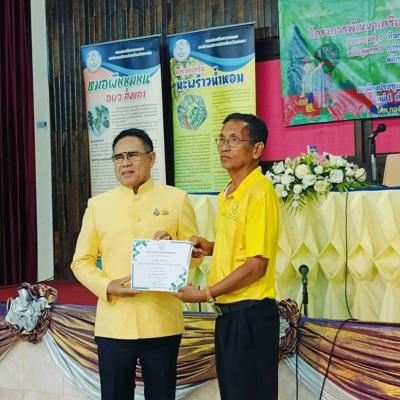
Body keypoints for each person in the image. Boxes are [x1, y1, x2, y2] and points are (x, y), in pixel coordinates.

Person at [71, 128, 199, 400]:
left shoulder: (176, 199)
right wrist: (108, 286)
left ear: (151, 158)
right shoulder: (98, 205)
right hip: (114, 324)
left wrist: (173, 250)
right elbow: (80, 262)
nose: (125, 163)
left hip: (162, 322)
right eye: (118, 157)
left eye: (132, 155)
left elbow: (196, 256)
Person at [178, 113, 280, 400]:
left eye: (234, 140)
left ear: (257, 149)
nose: (224, 146)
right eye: (221, 139)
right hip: (230, 316)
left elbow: (256, 265)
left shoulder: (259, 192)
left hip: (250, 316)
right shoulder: (230, 192)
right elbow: (242, 246)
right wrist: (211, 247)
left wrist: (205, 294)